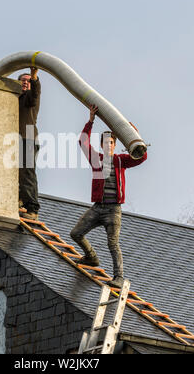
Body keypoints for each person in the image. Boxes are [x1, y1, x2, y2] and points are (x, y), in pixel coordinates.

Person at [70, 105, 148, 288]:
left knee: (113, 243)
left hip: (113, 210)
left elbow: (141, 156)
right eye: (105, 143)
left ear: (114, 145)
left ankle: (119, 277)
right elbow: (82, 141)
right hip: (98, 207)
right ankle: (91, 257)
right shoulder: (96, 159)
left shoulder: (121, 160)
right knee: (76, 233)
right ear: (101, 145)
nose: (108, 146)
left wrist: (133, 134)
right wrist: (90, 121)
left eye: (110, 143)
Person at [18, 67, 41, 220]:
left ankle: (32, 209)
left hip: (28, 138)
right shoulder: (16, 98)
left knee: (27, 173)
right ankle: (20, 200)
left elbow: (34, 94)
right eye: (23, 80)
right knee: (16, 172)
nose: (25, 83)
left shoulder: (29, 97)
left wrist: (34, 77)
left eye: (28, 81)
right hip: (18, 139)